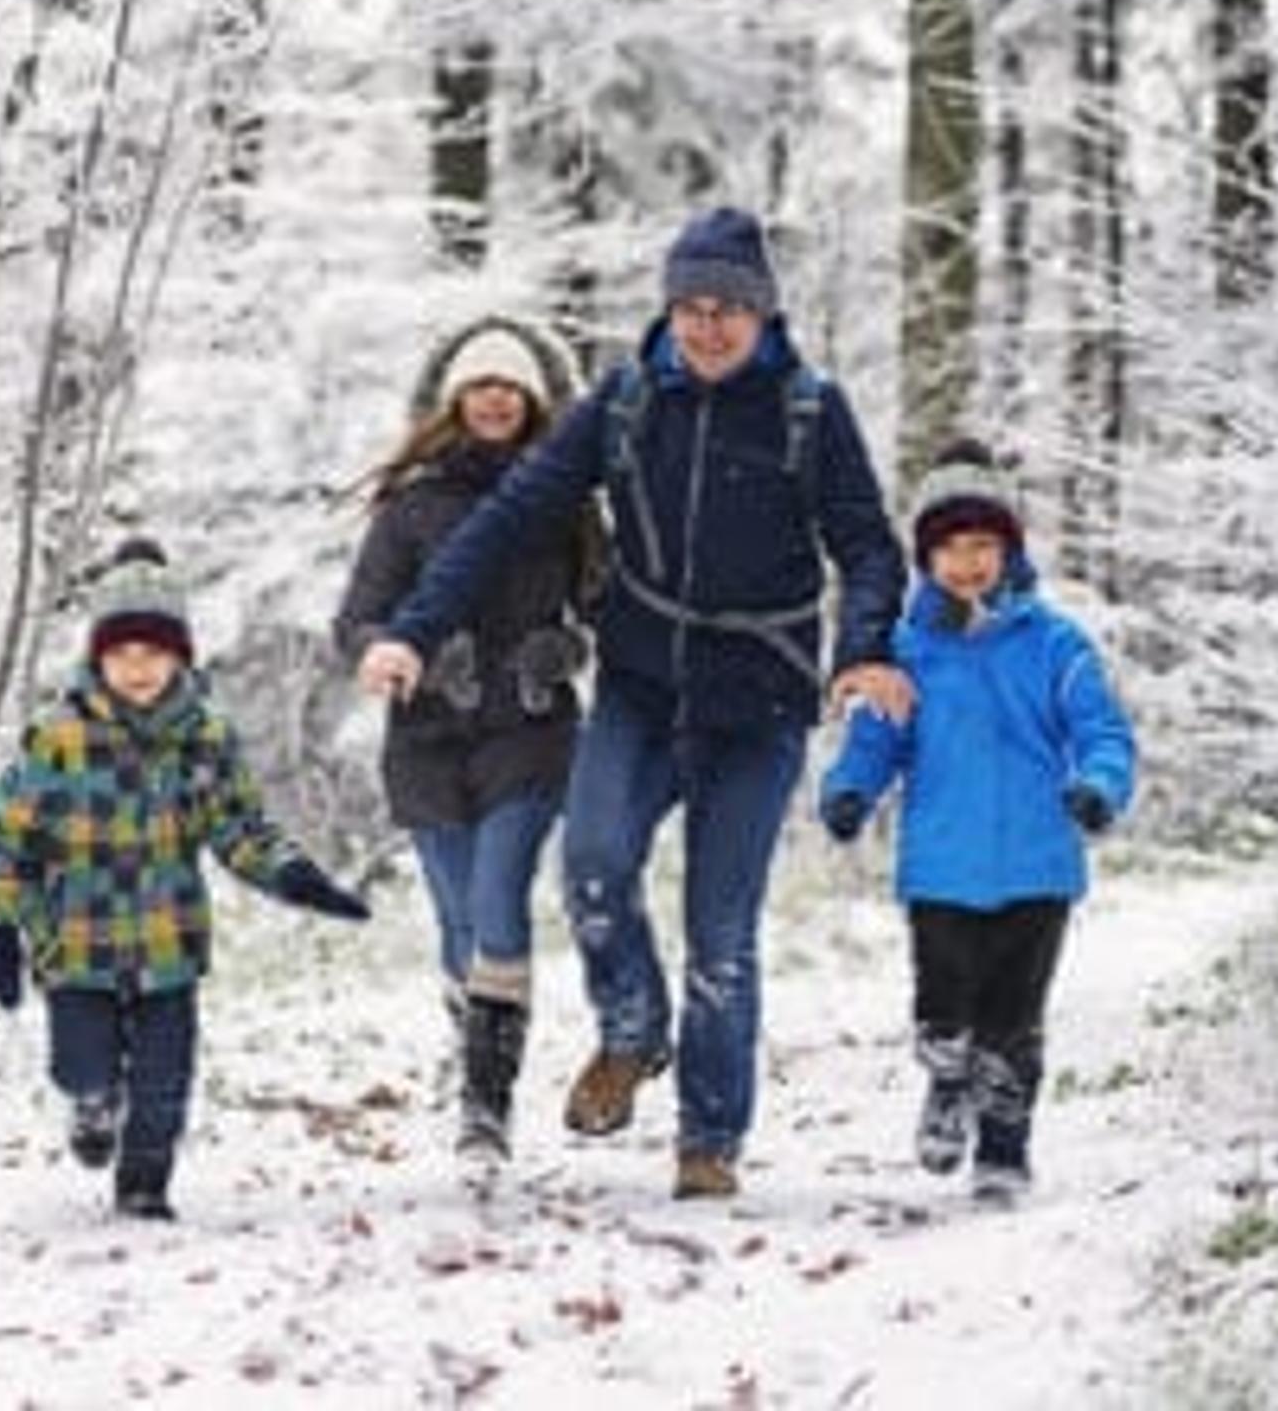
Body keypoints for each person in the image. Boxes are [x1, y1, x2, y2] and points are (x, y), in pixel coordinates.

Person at [355, 207, 910, 1201]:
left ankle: (708, 1139)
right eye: (691, 307)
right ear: (668, 308)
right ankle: (631, 1029)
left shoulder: (808, 412)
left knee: (721, 928)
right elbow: (506, 517)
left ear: (763, 314)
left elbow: (867, 545)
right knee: (596, 864)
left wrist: (865, 648)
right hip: (643, 686)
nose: (707, 328)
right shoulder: (622, 402)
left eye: (729, 310)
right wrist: (413, 628)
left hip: (760, 697)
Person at [0, 537, 373, 1222]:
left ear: (179, 656)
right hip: (77, 946)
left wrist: (297, 876)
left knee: (166, 1081)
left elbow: (237, 827)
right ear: (97, 656)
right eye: (122, 654)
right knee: (81, 1064)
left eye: (153, 653)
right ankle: (93, 1106)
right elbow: (4, 833)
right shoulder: (60, 735)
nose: (137, 669)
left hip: (167, 944)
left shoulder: (203, 735)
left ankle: (144, 1185)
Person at [816, 438, 1137, 1204]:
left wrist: (1098, 786)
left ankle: (1004, 1152)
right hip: (941, 868)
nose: (968, 563)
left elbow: (1103, 730)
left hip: (1038, 867)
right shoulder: (904, 650)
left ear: (1010, 550)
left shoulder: (1056, 644)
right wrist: (850, 791)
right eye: (951, 548)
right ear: (925, 558)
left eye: (984, 545)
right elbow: (875, 739)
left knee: (1013, 1026)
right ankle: (946, 1084)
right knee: (943, 1014)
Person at [332, 316, 597, 1162]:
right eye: (480, 387)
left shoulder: (566, 500)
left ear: (529, 404)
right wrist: (393, 650)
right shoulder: (410, 508)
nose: (494, 399)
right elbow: (357, 617)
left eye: (510, 388)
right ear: (456, 403)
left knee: (496, 900)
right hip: (429, 740)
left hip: (529, 728)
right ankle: (477, 1034)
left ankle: (487, 1102)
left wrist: (569, 648)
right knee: (456, 921)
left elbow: (609, 607)